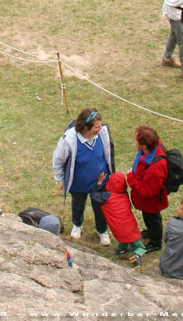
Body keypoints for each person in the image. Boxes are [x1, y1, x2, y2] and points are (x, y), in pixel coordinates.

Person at [51, 107, 114, 243]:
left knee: (100, 206)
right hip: (79, 182)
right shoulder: (69, 140)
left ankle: (102, 230)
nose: (101, 129)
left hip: (100, 181)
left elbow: (108, 154)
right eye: (97, 126)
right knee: (78, 204)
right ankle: (77, 224)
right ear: (86, 127)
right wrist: (60, 180)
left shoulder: (103, 134)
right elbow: (58, 160)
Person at [90, 171, 146, 269]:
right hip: (130, 227)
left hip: (117, 230)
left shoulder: (105, 197)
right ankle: (136, 255)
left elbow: (93, 194)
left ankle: (121, 250)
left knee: (122, 237)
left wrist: (99, 183)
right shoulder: (124, 195)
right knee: (139, 246)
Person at [127, 125, 169, 253]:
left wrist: (131, 178)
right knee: (149, 219)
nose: (135, 141)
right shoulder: (153, 147)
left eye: (137, 140)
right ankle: (151, 232)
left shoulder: (156, 168)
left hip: (152, 202)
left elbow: (148, 191)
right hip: (147, 201)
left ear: (144, 145)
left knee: (153, 219)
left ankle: (156, 242)